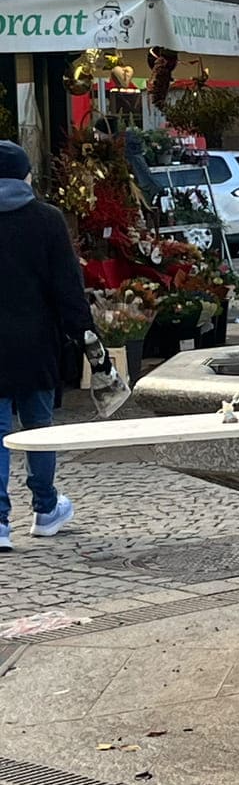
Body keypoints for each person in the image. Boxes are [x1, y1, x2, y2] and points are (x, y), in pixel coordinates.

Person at [0, 141, 92, 551]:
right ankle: (45, 507)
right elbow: (68, 287)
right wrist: (85, 334)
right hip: (37, 342)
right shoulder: (47, 219)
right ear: (25, 176)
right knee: (38, 426)